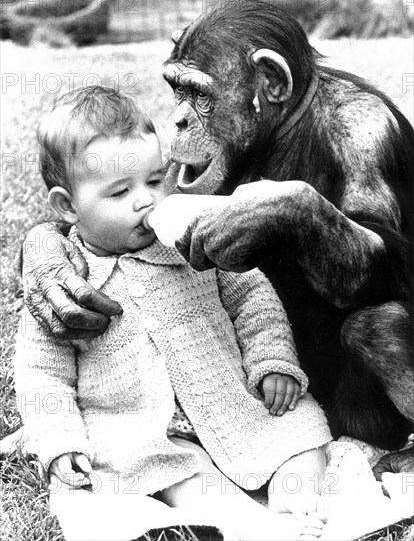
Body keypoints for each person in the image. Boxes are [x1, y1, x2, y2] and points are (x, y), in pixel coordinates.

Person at [14, 85, 332, 541]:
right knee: (183, 476)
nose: (146, 200)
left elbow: (252, 298)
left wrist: (271, 360)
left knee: (300, 430)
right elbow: (42, 376)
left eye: (154, 179)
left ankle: (298, 504)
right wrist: (59, 441)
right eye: (120, 192)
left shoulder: (188, 243)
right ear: (67, 206)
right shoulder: (68, 283)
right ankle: (249, 526)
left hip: (233, 401)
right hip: (147, 430)